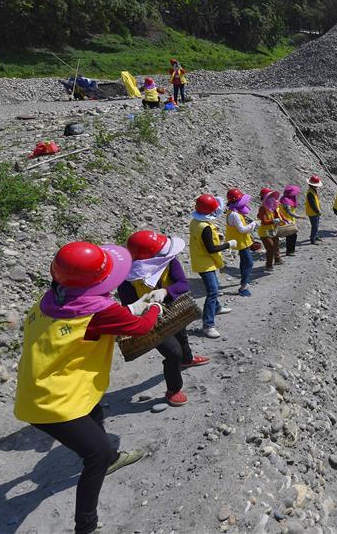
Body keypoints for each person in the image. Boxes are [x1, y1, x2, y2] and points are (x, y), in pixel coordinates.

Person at [14, 241, 162, 534]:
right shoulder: (98, 311)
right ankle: (86, 526)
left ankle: (112, 458)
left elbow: (104, 318)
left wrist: (133, 307)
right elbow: (141, 327)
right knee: (97, 455)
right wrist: (154, 306)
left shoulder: (52, 299)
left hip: (47, 386)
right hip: (52, 402)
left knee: (94, 410)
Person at [118, 230, 210, 407]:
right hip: (150, 318)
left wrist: (166, 291)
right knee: (172, 352)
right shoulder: (127, 279)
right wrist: (147, 306)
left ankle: (187, 359)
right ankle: (173, 389)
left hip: (174, 308)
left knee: (181, 334)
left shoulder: (169, 262)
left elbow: (182, 284)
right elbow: (130, 306)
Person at [189, 194, 235, 338]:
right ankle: (208, 325)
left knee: (213, 286)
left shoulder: (195, 222)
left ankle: (217, 307)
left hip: (200, 259)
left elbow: (203, 240)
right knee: (212, 292)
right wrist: (228, 244)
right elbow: (211, 249)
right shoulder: (206, 227)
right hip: (206, 262)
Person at [225, 188, 257, 296]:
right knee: (248, 262)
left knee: (245, 262)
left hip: (241, 240)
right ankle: (244, 285)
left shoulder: (233, 212)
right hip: (240, 241)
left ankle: (244, 282)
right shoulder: (234, 214)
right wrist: (253, 225)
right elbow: (242, 229)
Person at [256, 188, 283, 269]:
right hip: (264, 232)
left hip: (272, 229)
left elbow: (275, 216)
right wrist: (274, 221)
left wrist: (278, 217)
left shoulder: (271, 207)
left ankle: (277, 259)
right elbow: (264, 221)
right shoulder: (262, 208)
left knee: (276, 245)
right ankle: (269, 265)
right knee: (270, 247)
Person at [279, 185, 302, 256]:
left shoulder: (288, 198)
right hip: (287, 221)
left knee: (292, 236)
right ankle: (290, 251)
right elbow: (289, 211)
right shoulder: (286, 200)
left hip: (290, 221)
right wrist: (297, 216)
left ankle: (291, 250)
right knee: (291, 236)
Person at [305, 174, 323, 244]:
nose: (317, 186)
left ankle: (316, 236)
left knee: (317, 224)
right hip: (313, 212)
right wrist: (318, 211)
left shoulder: (313, 191)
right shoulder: (310, 193)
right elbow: (312, 204)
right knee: (314, 226)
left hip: (315, 212)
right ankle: (312, 239)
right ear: (312, 185)